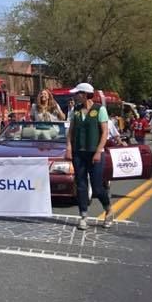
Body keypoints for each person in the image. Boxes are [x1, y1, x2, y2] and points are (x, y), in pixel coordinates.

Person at [64, 82, 113, 230]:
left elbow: (104, 132)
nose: (75, 96)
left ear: (84, 94)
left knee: (97, 187)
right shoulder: (76, 110)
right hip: (79, 152)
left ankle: (108, 209)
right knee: (81, 185)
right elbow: (71, 131)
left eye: (77, 93)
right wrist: (69, 146)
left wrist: (98, 151)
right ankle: (83, 216)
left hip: (95, 152)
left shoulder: (100, 110)